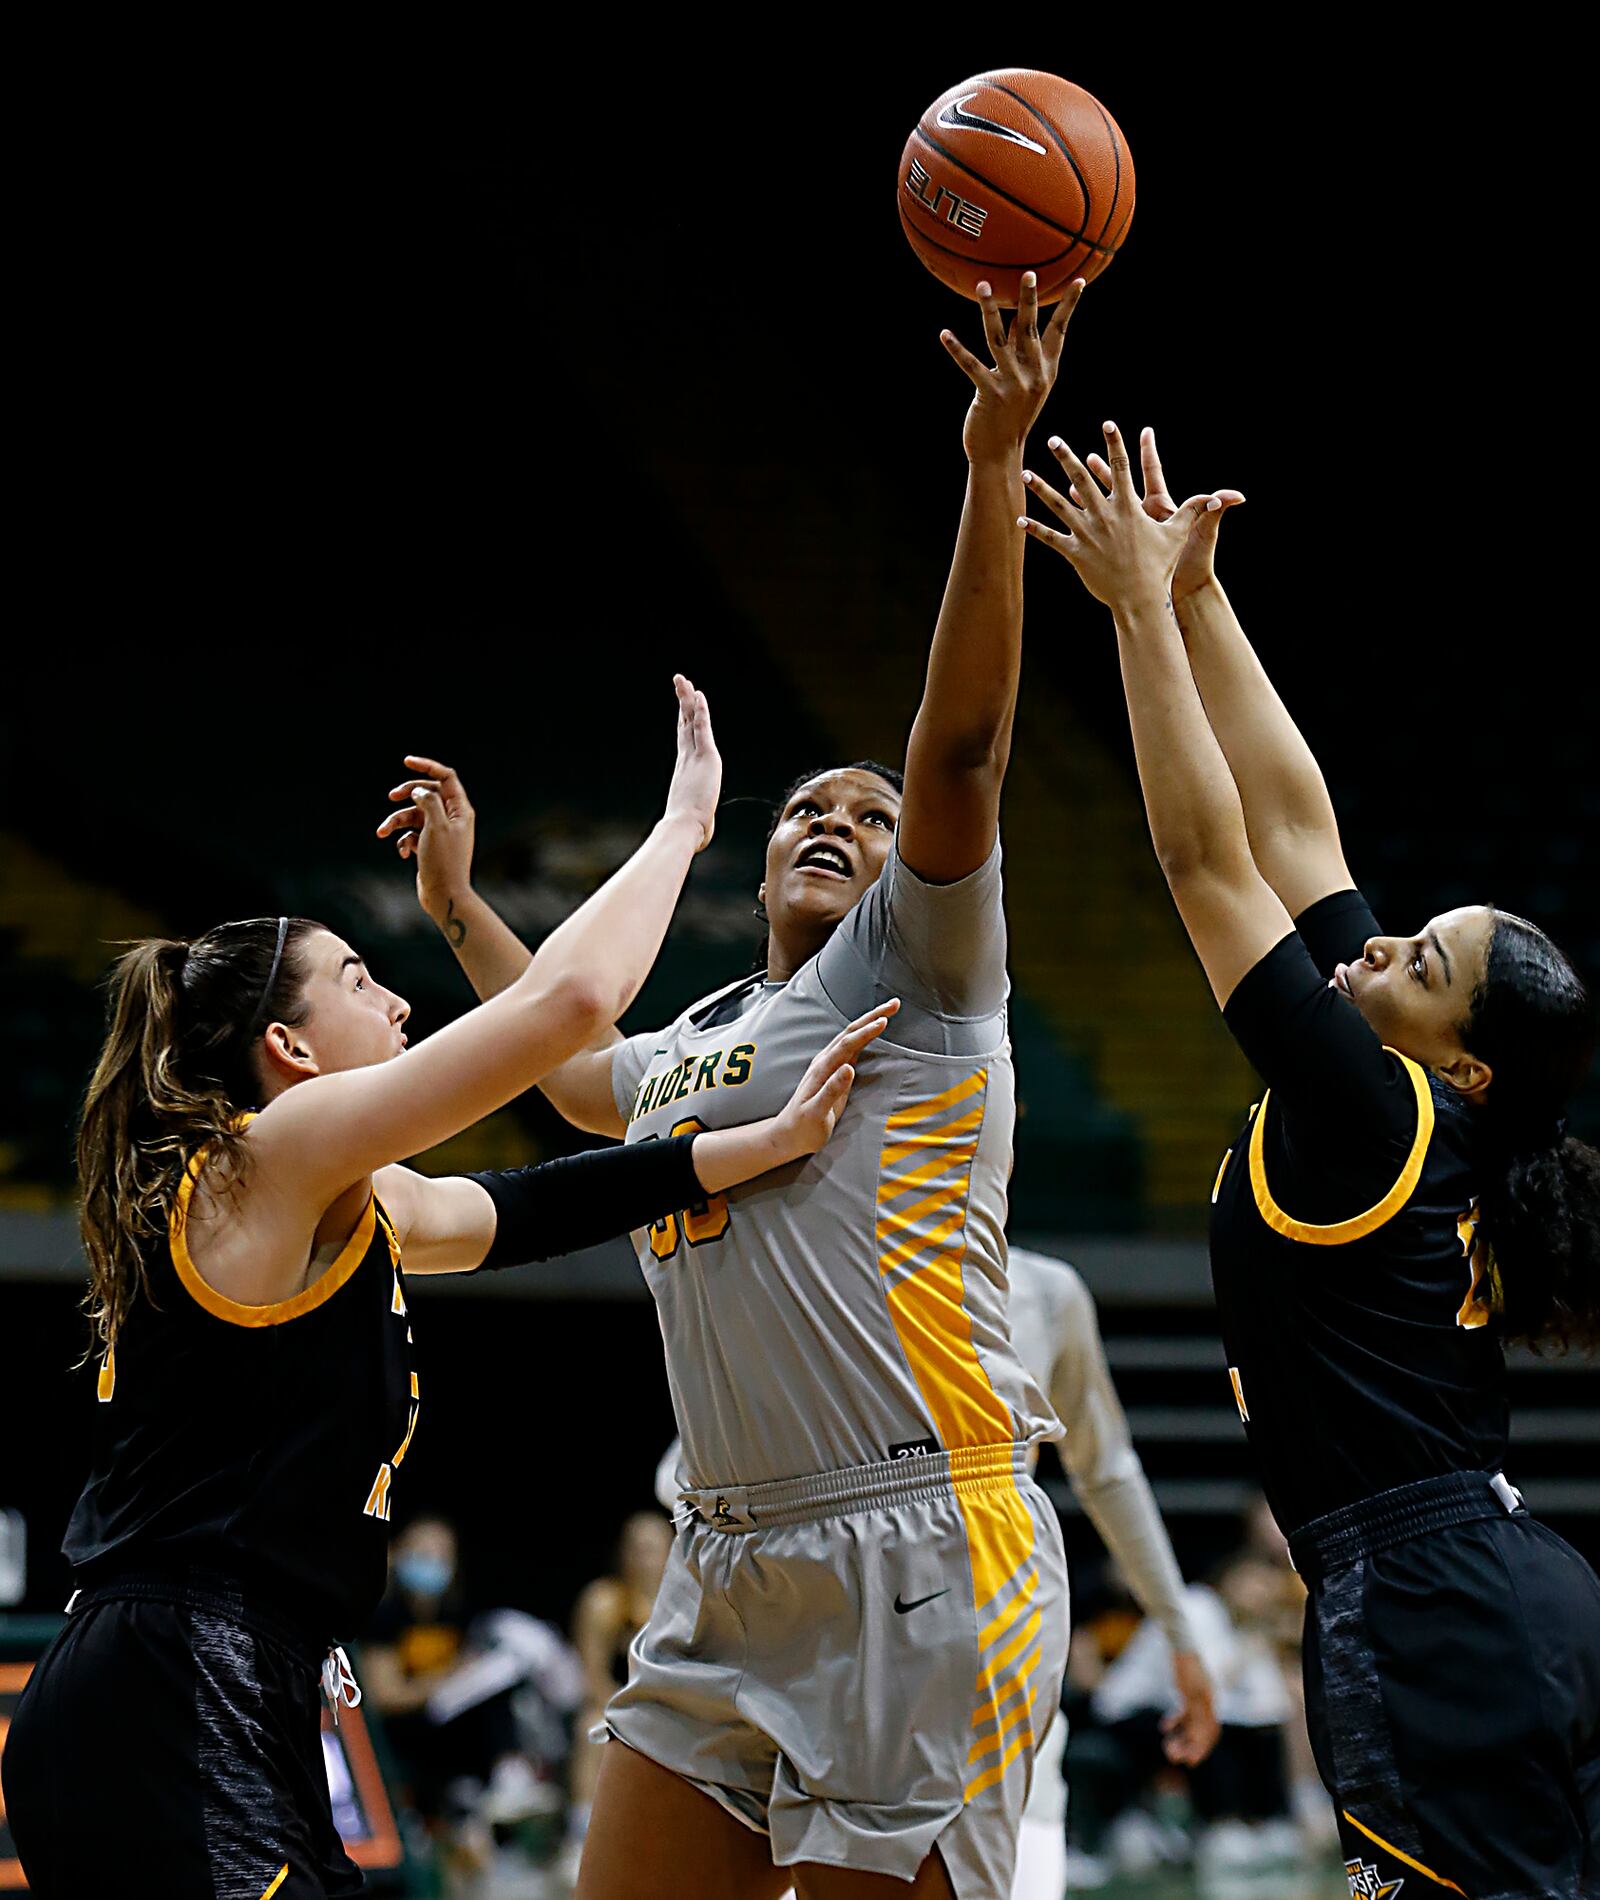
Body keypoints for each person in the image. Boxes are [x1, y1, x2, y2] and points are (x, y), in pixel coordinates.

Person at [387, 272, 1086, 1899]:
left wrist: (989, 468)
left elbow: (958, 754)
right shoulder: (704, 1025)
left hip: (920, 1543)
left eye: (861, 808)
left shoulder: (918, 970)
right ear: (757, 865)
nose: (836, 818)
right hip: (727, 1556)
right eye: (803, 813)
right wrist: (459, 917)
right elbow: (572, 1082)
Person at [0, 680, 893, 1899]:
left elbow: (528, 1208)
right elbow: (570, 1010)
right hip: (173, 1682)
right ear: (292, 1051)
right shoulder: (270, 1153)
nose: (401, 998)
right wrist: (688, 822)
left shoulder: (347, 1200)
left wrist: (756, 1144)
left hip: (218, 1687)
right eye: (363, 979)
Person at [1021, 423, 1600, 1898]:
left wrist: (1139, 612)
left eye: (1421, 958)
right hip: (1482, 1578)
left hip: (1431, 1597)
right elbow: (1293, 824)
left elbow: (1209, 860)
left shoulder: (1373, 1104)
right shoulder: (1410, 1086)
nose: (1380, 945)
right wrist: (1206, 595)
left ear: (1459, 1052)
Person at [1001, 1245, 1217, 1900]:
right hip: (857, 1642)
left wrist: (1181, 1634)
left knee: (1027, 1868)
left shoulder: (1044, 1290)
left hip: (1006, 1644)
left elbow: (1109, 1471)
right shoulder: (839, 1268)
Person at [562, 1512, 675, 1875]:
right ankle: (580, 1840)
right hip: (615, 1705)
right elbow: (591, 1677)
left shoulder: (688, 1603)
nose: (643, 1558)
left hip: (673, 1709)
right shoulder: (602, 1601)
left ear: (672, 1551)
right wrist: (630, 1712)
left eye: (652, 1549)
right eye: (635, 1548)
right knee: (589, 1730)